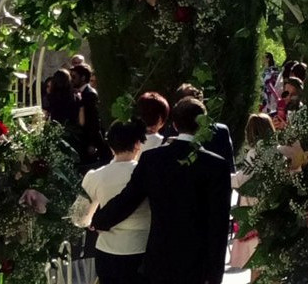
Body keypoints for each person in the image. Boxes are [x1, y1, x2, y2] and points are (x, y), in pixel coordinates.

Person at [92, 98, 231, 284]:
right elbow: (219, 225)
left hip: (160, 257)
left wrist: (100, 220)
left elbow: (128, 199)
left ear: (174, 124)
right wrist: (215, 276)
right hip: (199, 262)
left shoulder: (152, 159)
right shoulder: (217, 165)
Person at [75, 121, 150, 284]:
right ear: (138, 144)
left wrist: (93, 223)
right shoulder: (148, 174)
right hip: (141, 249)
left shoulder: (95, 176)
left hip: (107, 251)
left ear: (111, 146)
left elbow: (79, 217)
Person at [230, 114, 274, 282]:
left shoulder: (255, 154)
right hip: (273, 213)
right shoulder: (278, 150)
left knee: (257, 266)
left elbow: (240, 180)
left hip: (256, 214)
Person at [72, 63, 111, 165]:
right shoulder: (80, 93)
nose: (72, 80)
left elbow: (94, 120)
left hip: (91, 139)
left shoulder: (90, 94)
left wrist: (92, 143)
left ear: (83, 78)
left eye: (74, 77)